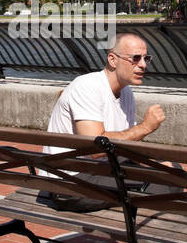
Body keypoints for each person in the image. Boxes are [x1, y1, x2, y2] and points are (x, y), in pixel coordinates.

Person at [41, 31, 165, 211]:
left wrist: (155, 164)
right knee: (162, 184)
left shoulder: (126, 93)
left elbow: (124, 145)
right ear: (113, 60)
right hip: (70, 183)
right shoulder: (87, 86)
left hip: (96, 172)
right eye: (136, 58)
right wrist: (145, 127)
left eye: (146, 58)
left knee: (170, 172)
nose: (143, 65)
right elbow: (96, 147)